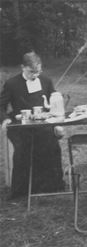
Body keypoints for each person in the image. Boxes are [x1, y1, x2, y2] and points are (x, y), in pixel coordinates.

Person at [0, 51, 64, 198]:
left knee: (51, 144)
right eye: (31, 72)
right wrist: (5, 119)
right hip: (20, 126)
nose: (35, 75)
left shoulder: (46, 81)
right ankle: (22, 190)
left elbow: (54, 100)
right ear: (23, 67)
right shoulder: (12, 84)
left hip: (43, 125)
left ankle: (51, 186)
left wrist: (56, 120)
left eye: (38, 71)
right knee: (23, 149)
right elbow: (1, 106)